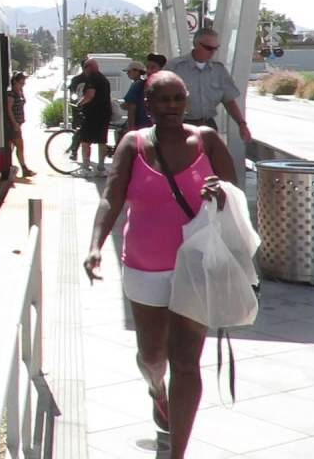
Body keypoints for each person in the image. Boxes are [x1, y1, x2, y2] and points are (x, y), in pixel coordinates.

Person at [83, 71, 235, 459]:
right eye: (162, 99)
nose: (171, 106)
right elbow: (111, 197)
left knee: (186, 361)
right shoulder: (133, 145)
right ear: (147, 103)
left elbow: (233, 199)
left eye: (177, 98)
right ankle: (156, 388)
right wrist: (95, 245)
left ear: (187, 102)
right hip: (144, 265)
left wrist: (218, 195)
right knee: (153, 356)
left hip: (195, 268)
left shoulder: (207, 141)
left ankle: (177, 453)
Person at [168, 28, 250, 142]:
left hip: (207, 125)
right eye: (208, 48)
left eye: (215, 48)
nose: (212, 52)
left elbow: (229, 100)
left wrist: (241, 124)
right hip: (180, 125)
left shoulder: (218, 70)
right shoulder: (175, 67)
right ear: (196, 44)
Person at [75, 58, 112, 177]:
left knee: (85, 141)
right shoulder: (103, 79)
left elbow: (90, 95)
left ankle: (86, 168)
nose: (84, 71)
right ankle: (101, 168)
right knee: (102, 141)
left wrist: (80, 103)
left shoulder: (92, 78)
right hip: (104, 114)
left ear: (88, 67)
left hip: (92, 115)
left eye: (85, 68)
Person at [5, 72, 35, 178]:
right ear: (14, 82)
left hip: (18, 124)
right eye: (21, 83)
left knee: (16, 147)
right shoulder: (11, 94)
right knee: (19, 146)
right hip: (13, 125)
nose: (22, 85)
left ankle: (17, 168)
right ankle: (23, 169)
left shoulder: (20, 92)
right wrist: (14, 123)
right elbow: (9, 109)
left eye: (23, 83)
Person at [121, 60, 151, 131]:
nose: (127, 73)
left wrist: (131, 129)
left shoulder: (136, 85)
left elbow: (131, 107)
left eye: (129, 71)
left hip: (139, 123)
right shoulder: (145, 83)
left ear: (136, 71)